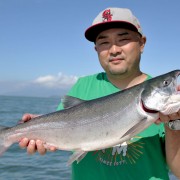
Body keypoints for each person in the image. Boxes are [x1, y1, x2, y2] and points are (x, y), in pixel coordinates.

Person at [19, 7, 180, 179]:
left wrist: (174, 125)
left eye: (123, 39)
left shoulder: (169, 102)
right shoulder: (82, 86)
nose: (114, 50)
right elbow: (62, 123)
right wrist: (36, 128)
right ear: (96, 49)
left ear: (142, 43)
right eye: (104, 42)